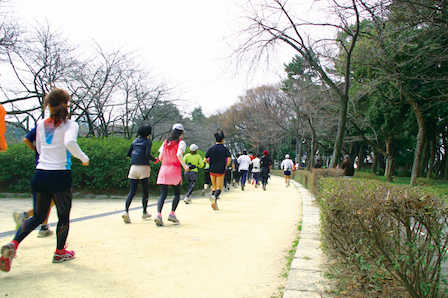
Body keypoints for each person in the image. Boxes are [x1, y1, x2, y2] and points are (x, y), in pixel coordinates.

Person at [0, 88, 90, 273]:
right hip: (60, 176)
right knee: (63, 216)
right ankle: (59, 252)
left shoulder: (40, 123)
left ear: (47, 105)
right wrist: (84, 158)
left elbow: (39, 148)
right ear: (68, 104)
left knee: (38, 217)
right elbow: (70, 143)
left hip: (40, 174)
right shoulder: (70, 124)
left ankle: (14, 243)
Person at [12, 126, 55, 237]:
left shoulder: (40, 125)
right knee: (54, 199)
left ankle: (44, 227)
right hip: (52, 167)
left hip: (40, 166)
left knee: (48, 198)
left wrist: (37, 150)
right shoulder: (58, 126)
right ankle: (26, 215)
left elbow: (26, 139)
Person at [154, 123, 190, 226]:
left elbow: (160, 157)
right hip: (175, 170)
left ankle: (159, 215)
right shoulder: (181, 142)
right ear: (181, 133)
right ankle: (172, 214)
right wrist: (185, 166)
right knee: (177, 194)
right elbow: (179, 154)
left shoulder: (165, 142)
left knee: (163, 194)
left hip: (164, 169)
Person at [122, 124, 158, 224]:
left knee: (132, 191)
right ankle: (144, 211)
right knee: (145, 191)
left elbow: (128, 154)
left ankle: (126, 211)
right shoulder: (148, 142)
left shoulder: (134, 141)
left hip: (133, 167)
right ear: (148, 133)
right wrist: (154, 159)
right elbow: (147, 155)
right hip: (144, 167)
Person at [205, 131, 231, 210]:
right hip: (221, 170)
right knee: (219, 188)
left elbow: (205, 159)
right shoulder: (225, 149)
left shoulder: (211, 148)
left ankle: (215, 204)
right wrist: (226, 165)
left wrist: (209, 163)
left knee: (214, 187)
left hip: (212, 169)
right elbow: (229, 159)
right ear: (222, 140)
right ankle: (214, 196)